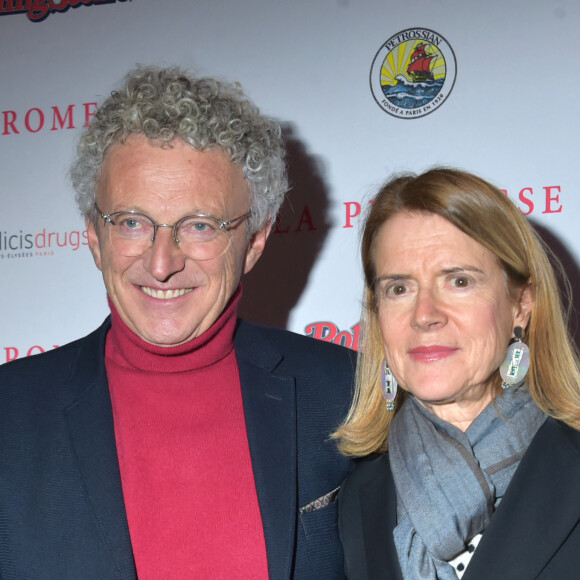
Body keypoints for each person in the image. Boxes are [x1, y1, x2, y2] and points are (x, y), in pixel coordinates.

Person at [0, 65, 355, 579]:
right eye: (131, 222)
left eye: (200, 225)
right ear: (95, 236)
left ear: (254, 241)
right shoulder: (9, 415)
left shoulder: (347, 393)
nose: (162, 262)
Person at [334, 168, 580, 579]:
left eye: (458, 281)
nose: (425, 314)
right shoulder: (359, 497)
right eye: (399, 288)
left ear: (521, 304)